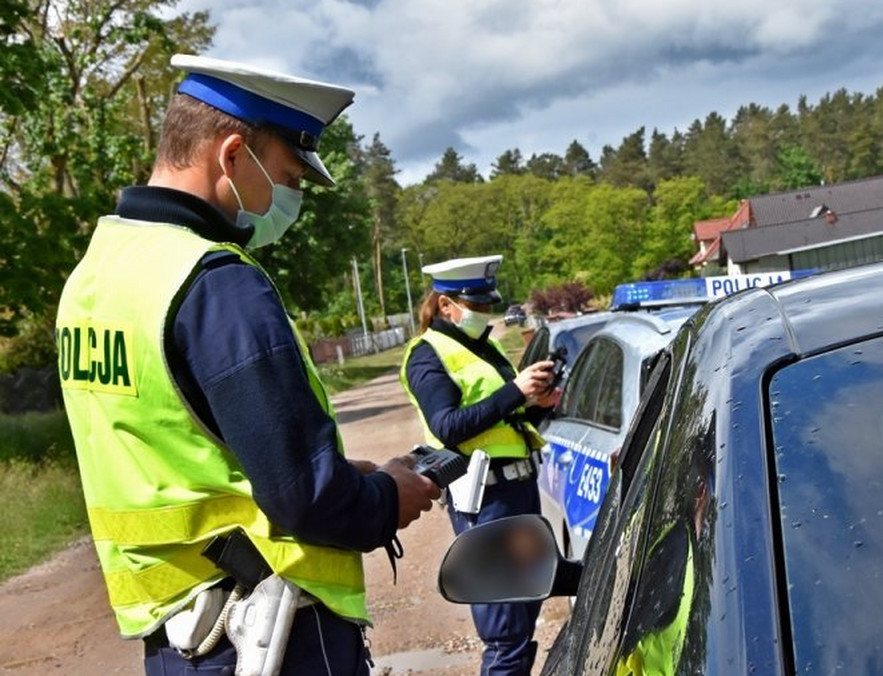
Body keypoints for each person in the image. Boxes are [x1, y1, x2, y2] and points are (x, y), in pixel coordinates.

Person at [55, 54, 441, 676]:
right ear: (233, 155)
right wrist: (383, 498)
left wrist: (337, 474)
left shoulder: (96, 274)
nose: (289, 200)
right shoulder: (216, 282)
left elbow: (185, 444)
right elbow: (306, 500)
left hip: (177, 633)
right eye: (287, 178)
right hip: (271, 633)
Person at [400, 255, 556, 675]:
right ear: (446, 305)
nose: (483, 313)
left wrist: (537, 404)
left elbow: (504, 422)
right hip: (485, 499)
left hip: (518, 490)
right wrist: (513, 391)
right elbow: (447, 426)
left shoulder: (482, 347)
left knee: (524, 617)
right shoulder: (427, 354)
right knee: (505, 632)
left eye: (488, 305)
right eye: (476, 305)